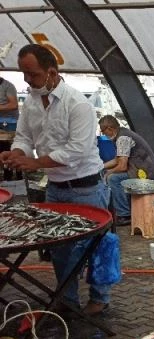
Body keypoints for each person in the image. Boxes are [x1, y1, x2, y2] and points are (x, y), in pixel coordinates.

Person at [0, 44, 111, 316]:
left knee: (93, 247)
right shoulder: (32, 102)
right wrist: (17, 153)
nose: (27, 80)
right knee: (59, 249)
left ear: (52, 72)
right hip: (55, 188)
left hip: (86, 187)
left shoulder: (78, 104)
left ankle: (100, 298)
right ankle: (67, 299)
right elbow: (24, 137)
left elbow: (77, 150)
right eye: (24, 73)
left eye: (33, 74)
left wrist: (36, 162)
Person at [98, 115, 154, 225]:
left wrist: (108, 173)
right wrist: (100, 167)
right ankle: (123, 209)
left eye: (103, 131)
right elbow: (117, 160)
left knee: (113, 179)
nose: (103, 134)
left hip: (148, 174)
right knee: (108, 174)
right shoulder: (122, 133)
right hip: (145, 170)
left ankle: (124, 215)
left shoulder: (123, 138)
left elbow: (122, 166)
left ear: (110, 128)